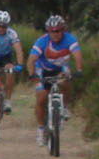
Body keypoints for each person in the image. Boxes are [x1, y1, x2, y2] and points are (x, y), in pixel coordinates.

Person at [28, 14, 83, 146]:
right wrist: (32, 74)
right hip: (43, 69)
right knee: (41, 98)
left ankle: (64, 107)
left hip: (61, 69)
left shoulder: (69, 39)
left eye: (58, 31)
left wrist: (79, 69)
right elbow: (31, 60)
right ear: (48, 31)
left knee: (65, 81)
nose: (55, 34)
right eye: (52, 31)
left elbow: (77, 55)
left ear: (63, 30)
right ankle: (41, 129)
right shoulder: (42, 41)